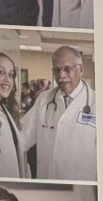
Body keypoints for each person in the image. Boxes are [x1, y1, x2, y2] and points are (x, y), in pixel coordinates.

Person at [20, 46, 96, 182]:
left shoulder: (97, 103)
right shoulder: (44, 99)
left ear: (80, 70)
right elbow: (22, 137)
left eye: (67, 69)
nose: (61, 75)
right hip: (48, 178)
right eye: (56, 70)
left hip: (82, 183)